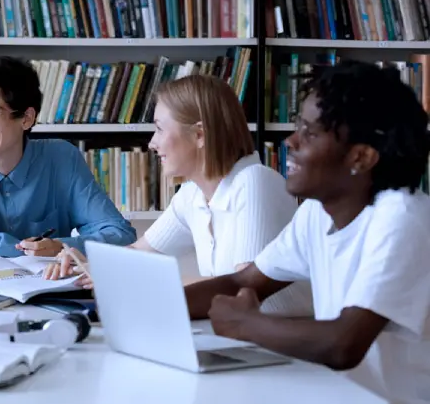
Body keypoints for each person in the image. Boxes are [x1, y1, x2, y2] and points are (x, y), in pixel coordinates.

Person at [180, 61, 430, 402]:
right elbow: (244, 282)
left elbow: (344, 343)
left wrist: (244, 324)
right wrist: (150, 304)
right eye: (298, 125)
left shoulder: (402, 219)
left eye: (310, 133)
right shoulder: (316, 210)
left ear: (361, 157)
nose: (291, 140)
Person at [44, 74, 313, 316]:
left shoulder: (255, 181)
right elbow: (138, 253)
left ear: (199, 134)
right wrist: (85, 262)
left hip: (286, 352)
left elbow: (240, 289)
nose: (152, 143)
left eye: (160, 128)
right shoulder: (192, 194)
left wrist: (132, 278)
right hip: (242, 342)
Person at [0, 55, 137, 262]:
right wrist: (28, 250)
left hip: (49, 287)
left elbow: (120, 235)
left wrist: (60, 246)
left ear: (26, 119)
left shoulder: (61, 157)